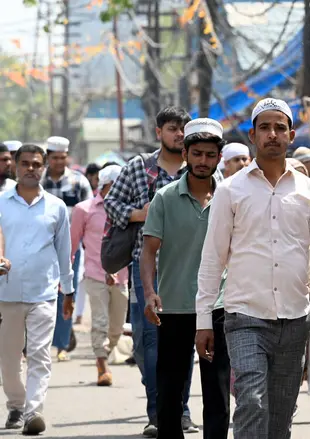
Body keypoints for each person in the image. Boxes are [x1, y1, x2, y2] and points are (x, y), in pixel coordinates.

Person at [195, 98, 310, 439]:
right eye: (265, 127)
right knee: (251, 402)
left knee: (280, 416)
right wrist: (203, 319)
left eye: (280, 127)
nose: (273, 134)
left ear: (291, 135)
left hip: (295, 319)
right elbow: (212, 258)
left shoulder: (308, 191)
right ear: (253, 135)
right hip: (244, 317)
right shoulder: (231, 190)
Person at [104, 107, 201, 437]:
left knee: (184, 345)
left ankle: (179, 411)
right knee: (148, 346)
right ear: (159, 132)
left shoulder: (198, 169)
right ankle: (158, 409)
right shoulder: (138, 168)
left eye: (183, 129)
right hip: (146, 270)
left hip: (189, 272)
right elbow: (112, 204)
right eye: (173, 128)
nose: (179, 134)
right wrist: (140, 214)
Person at [142, 118, 229, 439]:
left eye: (209, 155)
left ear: (218, 157)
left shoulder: (230, 197)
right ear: (186, 155)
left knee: (217, 392)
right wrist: (150, 293)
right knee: (169, 392)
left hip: (219, 307)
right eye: (197, 154)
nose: (203, 161)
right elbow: (149, 250)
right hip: (174, 306)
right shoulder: (164, 198)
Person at [0, 144, 73, 435]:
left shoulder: (56, 207)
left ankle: (33, 412)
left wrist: (68, 291)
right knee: (8, 357)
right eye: (26, 163)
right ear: (15, 166)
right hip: (6, 293)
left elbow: (64, 250)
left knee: (40, 355)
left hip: (43, 293)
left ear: (43, 168)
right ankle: (16, 405)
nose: (32, 168)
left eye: (37, 164)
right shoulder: (1, 202)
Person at [70, 165, 128, 386]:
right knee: (100, 321)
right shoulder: (83, 210)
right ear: (104, 185)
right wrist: (66, 276)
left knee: (117, 327)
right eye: (116, 185)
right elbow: (73, 244)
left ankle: (106, 349)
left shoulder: (128, 210)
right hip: (95, 274)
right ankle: (101, 364)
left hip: (121, 275)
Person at [42, 136, 93, 362]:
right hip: (40, 247)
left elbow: (90, 213)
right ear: (47, 158)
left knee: (66, 292)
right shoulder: (38, 182)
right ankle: (37, 344)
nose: (59, 162)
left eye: (63, 158)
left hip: (70, 248)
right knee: (41, 294)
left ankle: (62, 345)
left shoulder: (78, 182)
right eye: (55, 158)